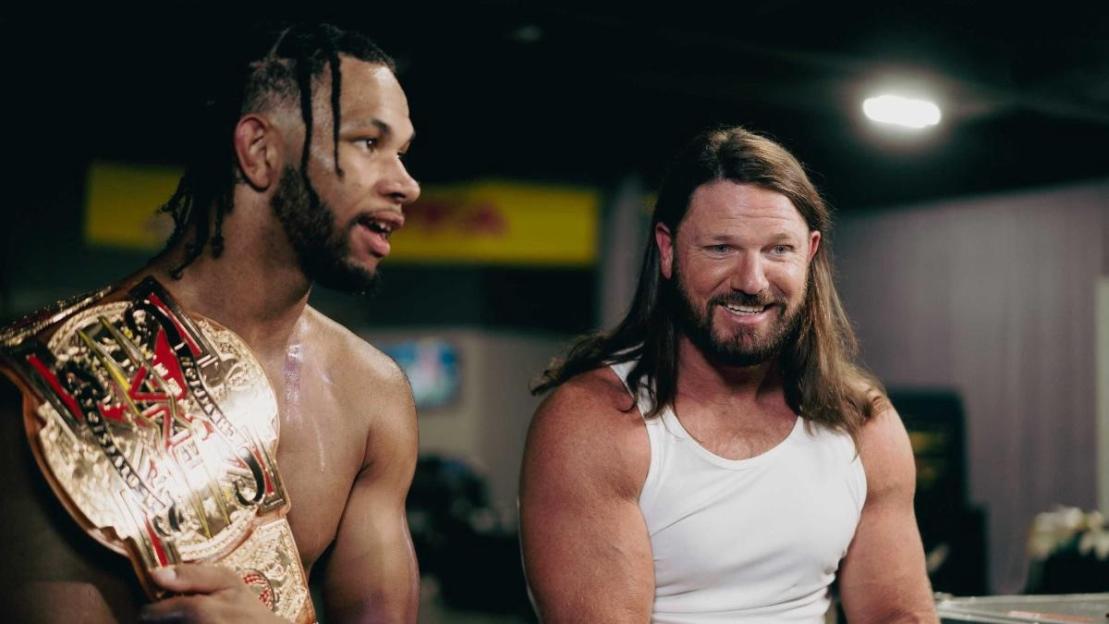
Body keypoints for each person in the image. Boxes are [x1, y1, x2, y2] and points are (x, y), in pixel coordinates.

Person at [0, 23, 421, 623]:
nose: (407, 184)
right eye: (368, 142)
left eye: (402, 152)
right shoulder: (53, 385)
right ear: (260, 151)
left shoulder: (372, 394)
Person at [520, 126, 936, 622]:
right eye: (721, 248)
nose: (751, 281)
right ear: (668, 250)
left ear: (810, 253)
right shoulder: (593, 424)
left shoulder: (862, 422)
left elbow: (898, 615)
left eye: (778, 249)